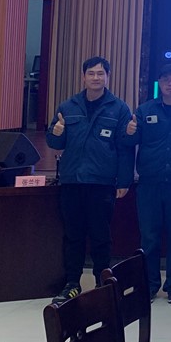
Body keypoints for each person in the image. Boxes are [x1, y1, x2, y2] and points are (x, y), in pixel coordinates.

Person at [47, 56, 134, 304]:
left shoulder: (119, 108)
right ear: (83, 77)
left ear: (107, 77)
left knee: (100, 235)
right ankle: (72, 283)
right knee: (72, 235)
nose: (96, 78)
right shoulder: (68, 106)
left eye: (100, 73)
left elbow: (125, 148)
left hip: (102, 183)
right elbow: (55, 142)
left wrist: (124, 181)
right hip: (72, 180)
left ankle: (102, 282)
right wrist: (56, 133)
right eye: (91, 73)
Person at [120, 62, 171, 304]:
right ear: (159, 83)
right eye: (165, 79)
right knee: (149, 238)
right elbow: (128, 142)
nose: (170, 84)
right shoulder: (144, 110)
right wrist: (129, 132)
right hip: (149, 184)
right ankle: (150, 284)